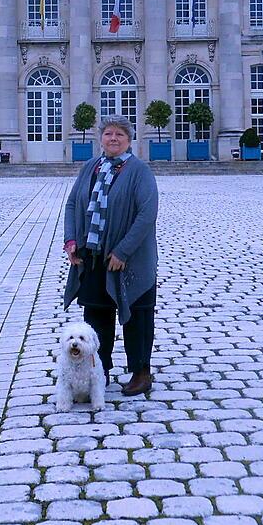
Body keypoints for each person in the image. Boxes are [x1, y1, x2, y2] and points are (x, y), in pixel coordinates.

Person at [62, 115, 160, 396]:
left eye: (119, 134)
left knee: (136, 318)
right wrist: (71, 241)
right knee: (97, 317)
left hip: (131, 260)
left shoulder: (139, 171)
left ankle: (141, 372)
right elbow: (72, 204)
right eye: (108, 134)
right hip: (94, 256)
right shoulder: (90, 167)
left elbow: (146, 215)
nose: (113, 138)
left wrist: (122, 250)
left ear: (129, 141)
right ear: (100, 138)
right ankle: (98, 371)